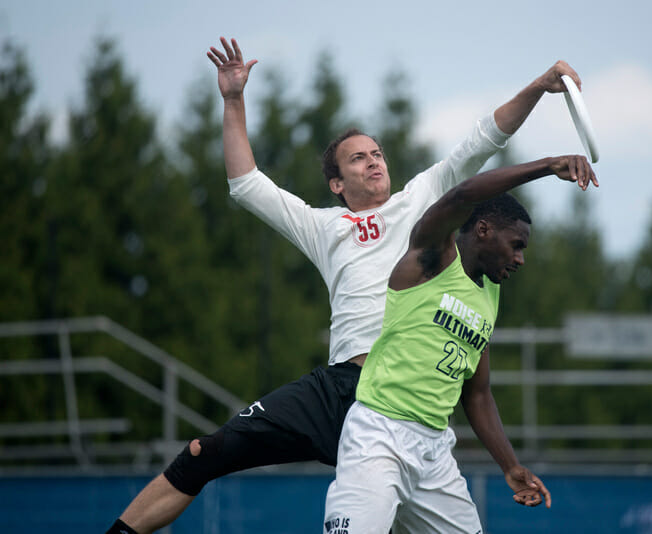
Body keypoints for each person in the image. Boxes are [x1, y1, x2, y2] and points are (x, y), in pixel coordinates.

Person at [106, 36, 589, 534]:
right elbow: (247, 185)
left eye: (377, 153)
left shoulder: (421, 199)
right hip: (343, 390)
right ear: (336, 183)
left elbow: (484, 139)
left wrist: (538, 86)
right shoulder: (323, 227)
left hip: (413, 403)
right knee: (203, 452)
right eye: (357, 159)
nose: (373, 161)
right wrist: (233, 100)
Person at [324, 154, 597, 533]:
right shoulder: (433, 256)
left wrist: (510, 466)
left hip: (434, 451)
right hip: (379, 437)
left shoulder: (489, 296)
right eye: (516, 245)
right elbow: (463, 194)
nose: (520, 259)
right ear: (483, 229)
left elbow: (478, 394)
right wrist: (546, 167)